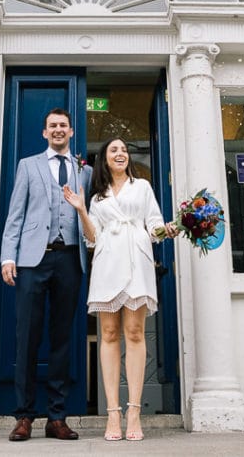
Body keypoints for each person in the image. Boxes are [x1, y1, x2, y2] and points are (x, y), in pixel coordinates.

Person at [63, 138, 176, 442]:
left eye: (124, 150)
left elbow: (154, 226)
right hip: (107, 263)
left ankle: (134, 411)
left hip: (137, 262)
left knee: (135, 333)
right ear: (104, 158)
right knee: (109, 334)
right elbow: (92, 238)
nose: (121, 153)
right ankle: (113, 412)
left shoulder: (142, 187)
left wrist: (170, 228)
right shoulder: (97, 197)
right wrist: (81, 210)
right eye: (114, 150)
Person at [0, 108, 92, 442]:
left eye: (63, 126)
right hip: (31, 260)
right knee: (27, 337)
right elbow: (16, 215)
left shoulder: (85, 170)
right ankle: (24, 416)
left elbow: (87, 215)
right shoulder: (28, 166)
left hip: (69, 259)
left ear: (70, 131)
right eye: (52, 125)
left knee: (63, 339)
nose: (57, 130)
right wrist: (8, 256)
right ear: (44, 132)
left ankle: (57, 416)